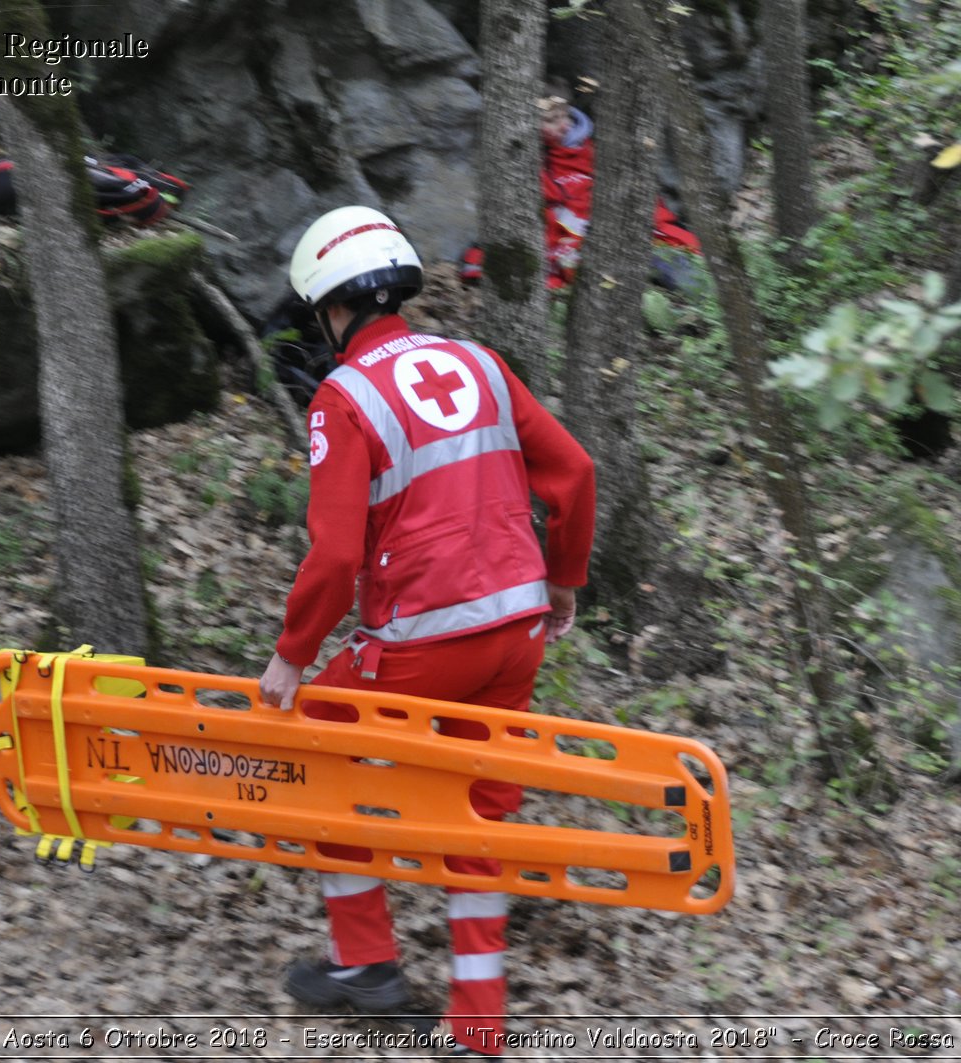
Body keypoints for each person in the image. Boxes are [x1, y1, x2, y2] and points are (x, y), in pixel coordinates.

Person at [258, 206, 597, 1057]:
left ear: (335, 306)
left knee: (315, 744)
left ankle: (365, 960)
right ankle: (478, 1023)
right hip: (516, 630)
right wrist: (562, 581)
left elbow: (335, 558)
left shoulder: (346, 396)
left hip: (422, 643)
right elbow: (575, 470)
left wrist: (291, 656)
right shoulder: (480, 362)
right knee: (478, 806)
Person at [461, 87, 702, 290]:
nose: (564, 126)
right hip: (578, 235)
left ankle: (695, 287)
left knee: (677, 244)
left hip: (618, 223)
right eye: (551, 120)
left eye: (564, 116)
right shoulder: (533, 163)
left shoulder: (591, 149)